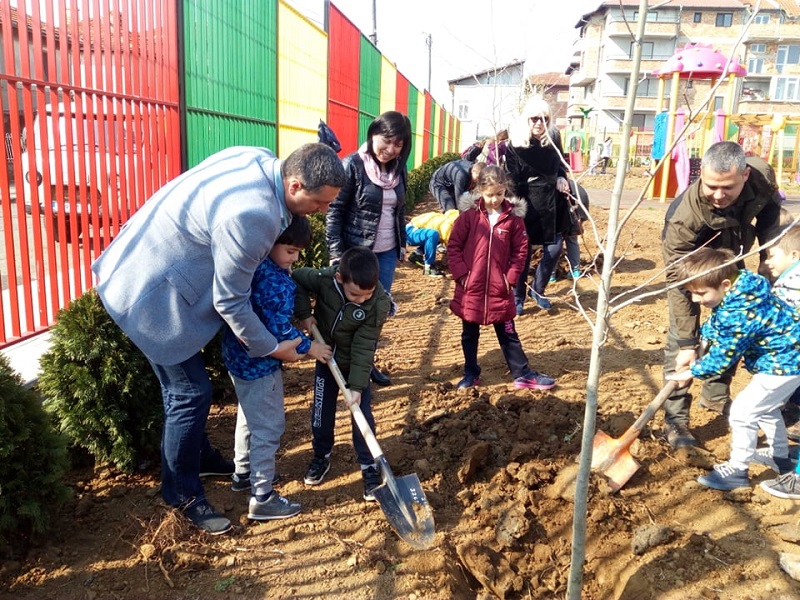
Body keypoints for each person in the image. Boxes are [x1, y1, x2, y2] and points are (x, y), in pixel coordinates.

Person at [91, 143, 347, 535]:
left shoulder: (260, 158)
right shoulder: (252, 215)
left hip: (151, 265)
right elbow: (231, 301)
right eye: (318, 202)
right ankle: (183, 495)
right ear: (294, 184)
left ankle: (202, 457)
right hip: (148, 292)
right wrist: (273, 347)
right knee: (189, 394)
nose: (323, 211)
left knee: (189, 391)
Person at [661, 141, 784, 449]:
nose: (718, 195)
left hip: (732, 252)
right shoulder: (683, 219)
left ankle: (715, 398)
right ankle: (675, 419)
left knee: (732, 325)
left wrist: (770, 263)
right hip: (694, 261)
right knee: (682, 340)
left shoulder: (761, 177)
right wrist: (689, 344)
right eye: (711, 186)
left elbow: (771, 220)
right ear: (702, 174)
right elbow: (678, 282)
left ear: (744, 174)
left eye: (727, 187)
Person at [222, 217, 333, 521]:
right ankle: (262, 496)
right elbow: (277, 329)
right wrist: (310, 346)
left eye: (298, 252)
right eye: (289, 251)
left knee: (248, 415)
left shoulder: (257, 267)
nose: (295, 259)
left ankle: (242, 472)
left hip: (238, 359)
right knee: (269, 428)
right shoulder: (271, 280)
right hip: (260, 365)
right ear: (269, 243)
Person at [668, 247, 800, 491]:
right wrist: (701, 342)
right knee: (766, 409)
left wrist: (692, 371)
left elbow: (723, 358)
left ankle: (738, 470)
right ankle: (780, 457)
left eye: (700, 293)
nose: (696, 300)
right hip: (784, 358)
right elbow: (718, 320)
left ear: (725, 284)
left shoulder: (741, 313)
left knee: (742, 412)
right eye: (691, 293)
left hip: (784, 364)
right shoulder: (744, 289)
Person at [292, 247, 392, 501]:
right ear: (340, 278)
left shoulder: (377, 303)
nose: (361, 300)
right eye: (355, 294)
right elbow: (296, 279)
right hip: (325, 357)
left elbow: (364, 345)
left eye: (366, 295)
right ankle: (321, 455)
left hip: (354, 364)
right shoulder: (326, 279)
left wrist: (357, 386)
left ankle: (369, 466)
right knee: (321, 410)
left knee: (362, 413)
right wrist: (305, 315)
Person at [447, 165, 557, 391]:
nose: (495, 199)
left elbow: (521, 250)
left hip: (500, 288)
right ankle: (470, 373)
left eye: (500, 194)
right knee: (469, 333)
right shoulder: (469, 217)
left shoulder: (513, 220)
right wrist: (461, 274)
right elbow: (454, 246)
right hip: (472, 288)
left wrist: (511, 278)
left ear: (506, 190)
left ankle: (522, 373)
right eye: (489, 195)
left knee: (508, 331)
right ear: (479, 191)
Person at [326, 110, 412, 388]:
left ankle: (366, 363)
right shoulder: (352, 165)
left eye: (398, 144)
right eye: (386, 140)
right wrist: (336, 252)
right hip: (356, 252)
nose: (390, 149)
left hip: (386, 254)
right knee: (345, 306)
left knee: (376, 311)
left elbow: (399, 211)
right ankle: (337, 361)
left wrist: (402, 244)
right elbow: (334, 210)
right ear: (372, 134)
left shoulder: (399, 171)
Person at [505, 96, 572, 314]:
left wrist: (562, 177)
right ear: (527, 120)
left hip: (553, 202)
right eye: (535, 118)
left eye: (545, 119)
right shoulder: (515, 144)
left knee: (553, 250)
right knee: (523, 253)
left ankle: (538, 289)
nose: (539, 123)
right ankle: (518, 298)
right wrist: (515, 209)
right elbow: (511, 180)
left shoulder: (553, 139)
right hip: (527, 202)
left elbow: (561, 164)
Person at [763, 225, 800, 441]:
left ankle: (793, 416)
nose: (768, 261)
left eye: (772, 255)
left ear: (794, 255)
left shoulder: (791, 285)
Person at [550, 181, 590, 283]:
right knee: (572, 240)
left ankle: (551, 273)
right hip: (575, 213)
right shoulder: (575, 187)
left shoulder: (552, 185)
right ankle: (575, 271)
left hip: (566, 213)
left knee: (554, 242)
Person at [405, 208, 460, 277]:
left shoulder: (450, 218)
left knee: (437, 236)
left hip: (415, 229)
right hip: (411, 232)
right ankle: (428, 268)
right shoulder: (447, 225)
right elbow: (452, 248)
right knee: (433, 234)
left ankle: (416, 255)